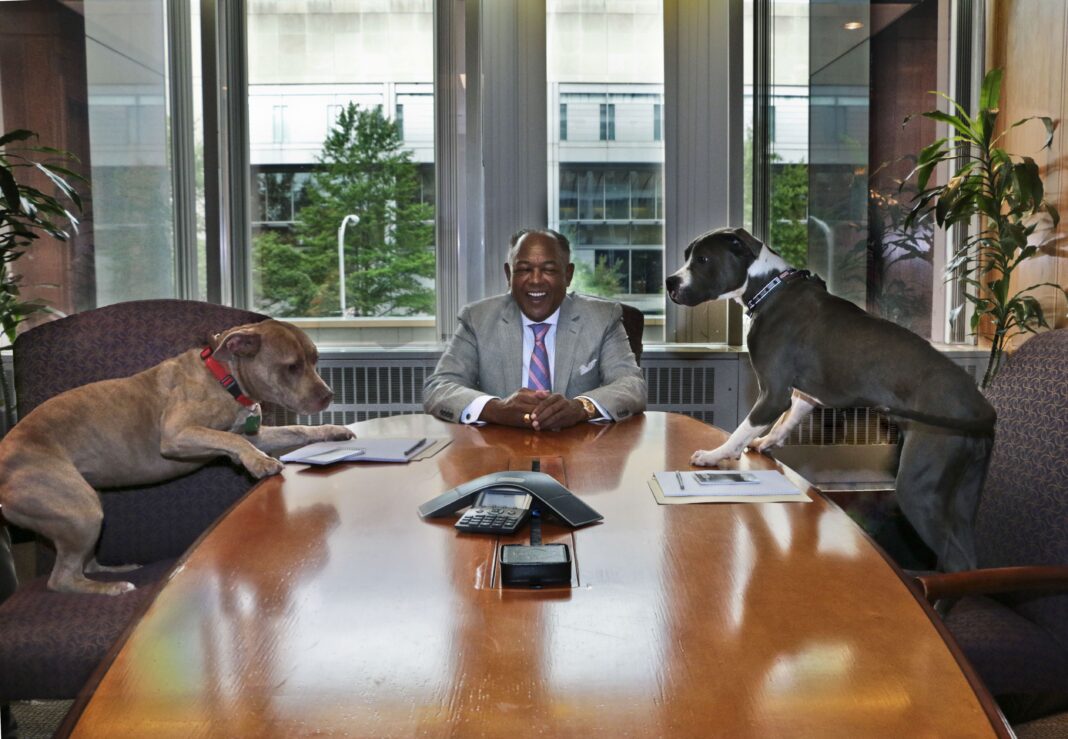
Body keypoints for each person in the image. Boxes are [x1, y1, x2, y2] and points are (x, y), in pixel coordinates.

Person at [423, 228, 646, 430]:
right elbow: (439, 387)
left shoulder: (602, 318)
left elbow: (631, 385)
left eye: (548, 269)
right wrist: (496, 410)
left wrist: (581, 408)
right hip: (499, 453)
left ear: (567, 275)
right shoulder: (477, 319)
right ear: (508, 275)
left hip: (580, 451)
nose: (536, 280)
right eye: (524, 269)